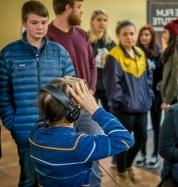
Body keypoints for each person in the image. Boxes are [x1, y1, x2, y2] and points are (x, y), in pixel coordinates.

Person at [0, 1, 75, 186]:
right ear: (24, 23)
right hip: (25, 130)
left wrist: (66, 120)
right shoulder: (8, 54)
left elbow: (70, 88)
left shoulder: (60, 52)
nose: (40, 27)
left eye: (44, 22)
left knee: (54, 179)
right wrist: (13, 122)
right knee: (29, 179)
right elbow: (2, 94)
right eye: (34, 23)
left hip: (57, 129)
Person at [29, 76, 134, 187]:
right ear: (74, 110)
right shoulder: (79, 145)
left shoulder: (35, 132)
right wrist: (95, 109)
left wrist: (61, 86)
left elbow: (48, 109)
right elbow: (125, 139)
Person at [47, 1, 102, 186]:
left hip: (86, 107)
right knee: (66, 157)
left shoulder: (81, 33)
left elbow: (92, 62)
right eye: (79, 6)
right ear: (68, 8)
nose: (81, 11)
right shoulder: (46, 35)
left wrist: (91, 89)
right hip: (61, 109)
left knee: (95, 154)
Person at [103, 20, 153, 186]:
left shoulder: (140, 52)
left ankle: (128, 166)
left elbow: (148, 79)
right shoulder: (113, 56)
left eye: (132, 33)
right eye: (125, 34)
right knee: (123, 142)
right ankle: (121, 173)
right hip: (123, 109)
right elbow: (112, 87)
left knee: (142, 138)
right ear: (118, 35)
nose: (129, 37)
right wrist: (127, 102)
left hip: (141, 107)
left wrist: (149, 97)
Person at [135, 24, 162, 168]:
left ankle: (155, 155)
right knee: (141, 127)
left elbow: (163, 74)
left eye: (147, 35)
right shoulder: (135, 52)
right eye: (142, 34)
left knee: (156, 127)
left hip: (156, 96)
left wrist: (162, 82)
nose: (144, 37)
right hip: (140, 96)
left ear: (152, 37)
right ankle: (142, 154)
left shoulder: (158, 54)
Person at [87, 9, 116, 111]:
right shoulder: (85, 39)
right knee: (91, 116)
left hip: (106, 85)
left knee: (110, 114)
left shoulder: (110, 42)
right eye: (99, 20)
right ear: (92, 21)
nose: (102, 23)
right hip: (90, 85)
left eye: (105, 20)